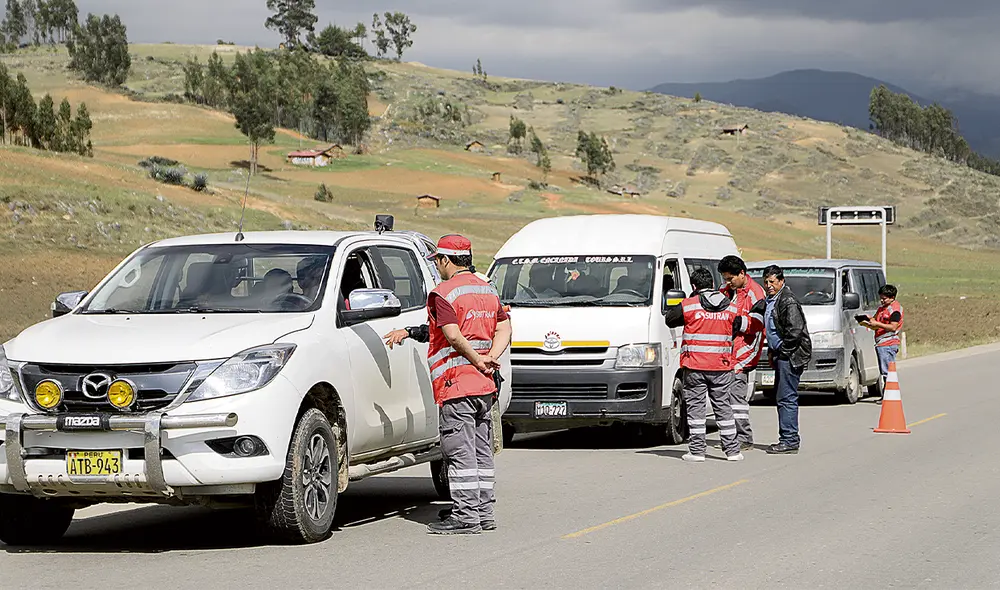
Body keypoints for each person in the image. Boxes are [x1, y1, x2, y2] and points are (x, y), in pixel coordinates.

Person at [383, 235, 512, 535]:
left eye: (438, 261)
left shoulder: (444, 293)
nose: (437, 267)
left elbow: (452, 335)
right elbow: (504, 326)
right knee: (481, 451)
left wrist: (476, 360)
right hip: (484, 387)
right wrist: (490, 357)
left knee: (460, 451)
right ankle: (482, 512)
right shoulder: (486, 288)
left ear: (445, 260)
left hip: (457, 385)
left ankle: (465, 517)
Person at [664, 267, 751, 462]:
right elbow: (738, 327)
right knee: (723, 407)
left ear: (694, 286)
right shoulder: (730, 306)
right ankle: (733, 451)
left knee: (696, 409)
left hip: (695, 366)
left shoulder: (689, 305)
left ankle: (697, 451)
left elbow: (670, 320)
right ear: (712, 284)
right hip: (721, 366)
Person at [758, 265, 811, 455]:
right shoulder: (772, 299)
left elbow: (795, 331)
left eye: (772, 281)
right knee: (781, 397)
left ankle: (789, 440)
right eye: (766, 282)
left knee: (786, 397)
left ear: (781, 281)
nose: (768, 285)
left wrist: (783, 350)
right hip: (781, 353)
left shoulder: (787, 300)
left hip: (791, 355)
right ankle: (788, 438)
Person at [718, 255, 767, 451]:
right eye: (725, 279)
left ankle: (744, 437)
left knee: (736, 398)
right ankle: (732, 436)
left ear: (742, 274)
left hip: (744, 351)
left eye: (730, 278)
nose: (727, 283)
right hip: (727, 351)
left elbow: (757, 324)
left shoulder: (756, 294)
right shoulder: (726, 291)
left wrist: (737, 322)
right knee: (726, 396)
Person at [860, 284, 903, 391]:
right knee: (884, 371)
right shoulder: (882, 309)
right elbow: (875, 322)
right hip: (881, 343)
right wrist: (867, 322)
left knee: (887, 372)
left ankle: (889, 394)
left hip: (888, 343)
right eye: (881, 298)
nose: (882, 301)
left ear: (892, 297)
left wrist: (877, 324)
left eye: (884, 298)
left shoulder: (895, 310)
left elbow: (893, 327)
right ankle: (886, 394)